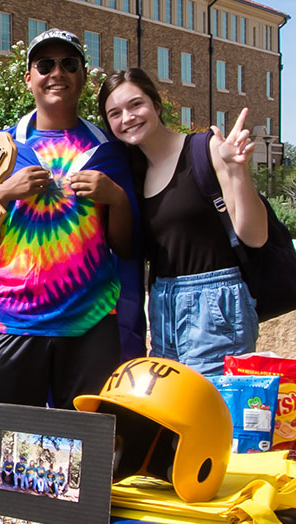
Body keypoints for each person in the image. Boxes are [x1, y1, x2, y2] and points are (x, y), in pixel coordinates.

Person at [0, 29, 139, 409]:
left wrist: (115, 198)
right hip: (11, 319)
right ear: (28, 78)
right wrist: (2, 193)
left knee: (82, 449)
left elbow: (126, 245)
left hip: (90, 320)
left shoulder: (109, 151)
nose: (57, 73)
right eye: (45, 64)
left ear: (83, 76)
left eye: (69, 64)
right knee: (6, 445)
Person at [99, 68, 266, 376]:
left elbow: (254, 236)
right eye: (115, 113)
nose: (128, 117)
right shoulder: (132, 174)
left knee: (211, 415)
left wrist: (238, 171)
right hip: (163, 305)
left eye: (136, 104)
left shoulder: (206, 150)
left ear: (156, 105)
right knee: (172, 419)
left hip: (216, 304)